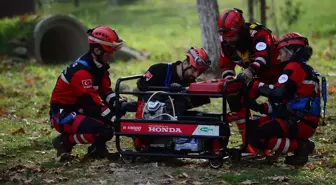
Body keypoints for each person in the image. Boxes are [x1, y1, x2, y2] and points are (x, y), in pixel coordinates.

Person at [50, 26, 127, 161]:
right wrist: (113, 119)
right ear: (97, 50)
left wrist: (121, 104)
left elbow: (106, 92)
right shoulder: (81, 72)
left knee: (116, 112)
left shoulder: (99, 67)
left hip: (81, 107)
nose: (111, 55)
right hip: (64, 115)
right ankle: (65, 141)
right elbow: (95, 101)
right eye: (109, 52)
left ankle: (97, 149)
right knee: (105, 130)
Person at [246, 32, 323, 165]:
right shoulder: (301, 68)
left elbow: (279, 93)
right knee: (250, 128)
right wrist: (258, 107)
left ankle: (301, 146)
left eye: (280, 53)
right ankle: (297, 145)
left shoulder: (294, 67)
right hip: (296, 118)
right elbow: (283, 100)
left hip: (299, 121)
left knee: (256, 136)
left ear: (291, 52)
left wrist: (255, 85)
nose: (278, 57)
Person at [217, 8, 282, 150]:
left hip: (276, 76)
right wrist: (229, 80)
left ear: (240, 29)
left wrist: (250, 71)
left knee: (280, 107)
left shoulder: (259, 34)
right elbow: (226, 65)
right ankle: (248, 141)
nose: (228, 39)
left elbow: (263, 58)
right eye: (225, 36)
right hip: (253, 79)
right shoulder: (225, 40)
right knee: (234, 97)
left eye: (231, 36)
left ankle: (276, 141)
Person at [137, 47, 212, 114]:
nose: (195, 75)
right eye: (194, 70)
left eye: (199, 72)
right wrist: (169, 91)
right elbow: (141, 86)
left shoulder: (189, 82)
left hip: (172, 121)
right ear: (185, 63)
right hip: (150, 116)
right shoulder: (159, 69)